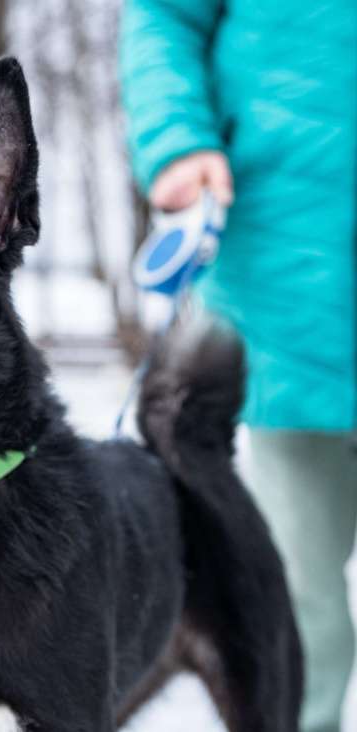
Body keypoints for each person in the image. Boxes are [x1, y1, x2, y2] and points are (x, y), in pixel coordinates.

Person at [119, 2, 356, 730]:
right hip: (291, 290)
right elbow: (161, 16)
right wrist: (176, 138)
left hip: (286, 287)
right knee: (295, 605)